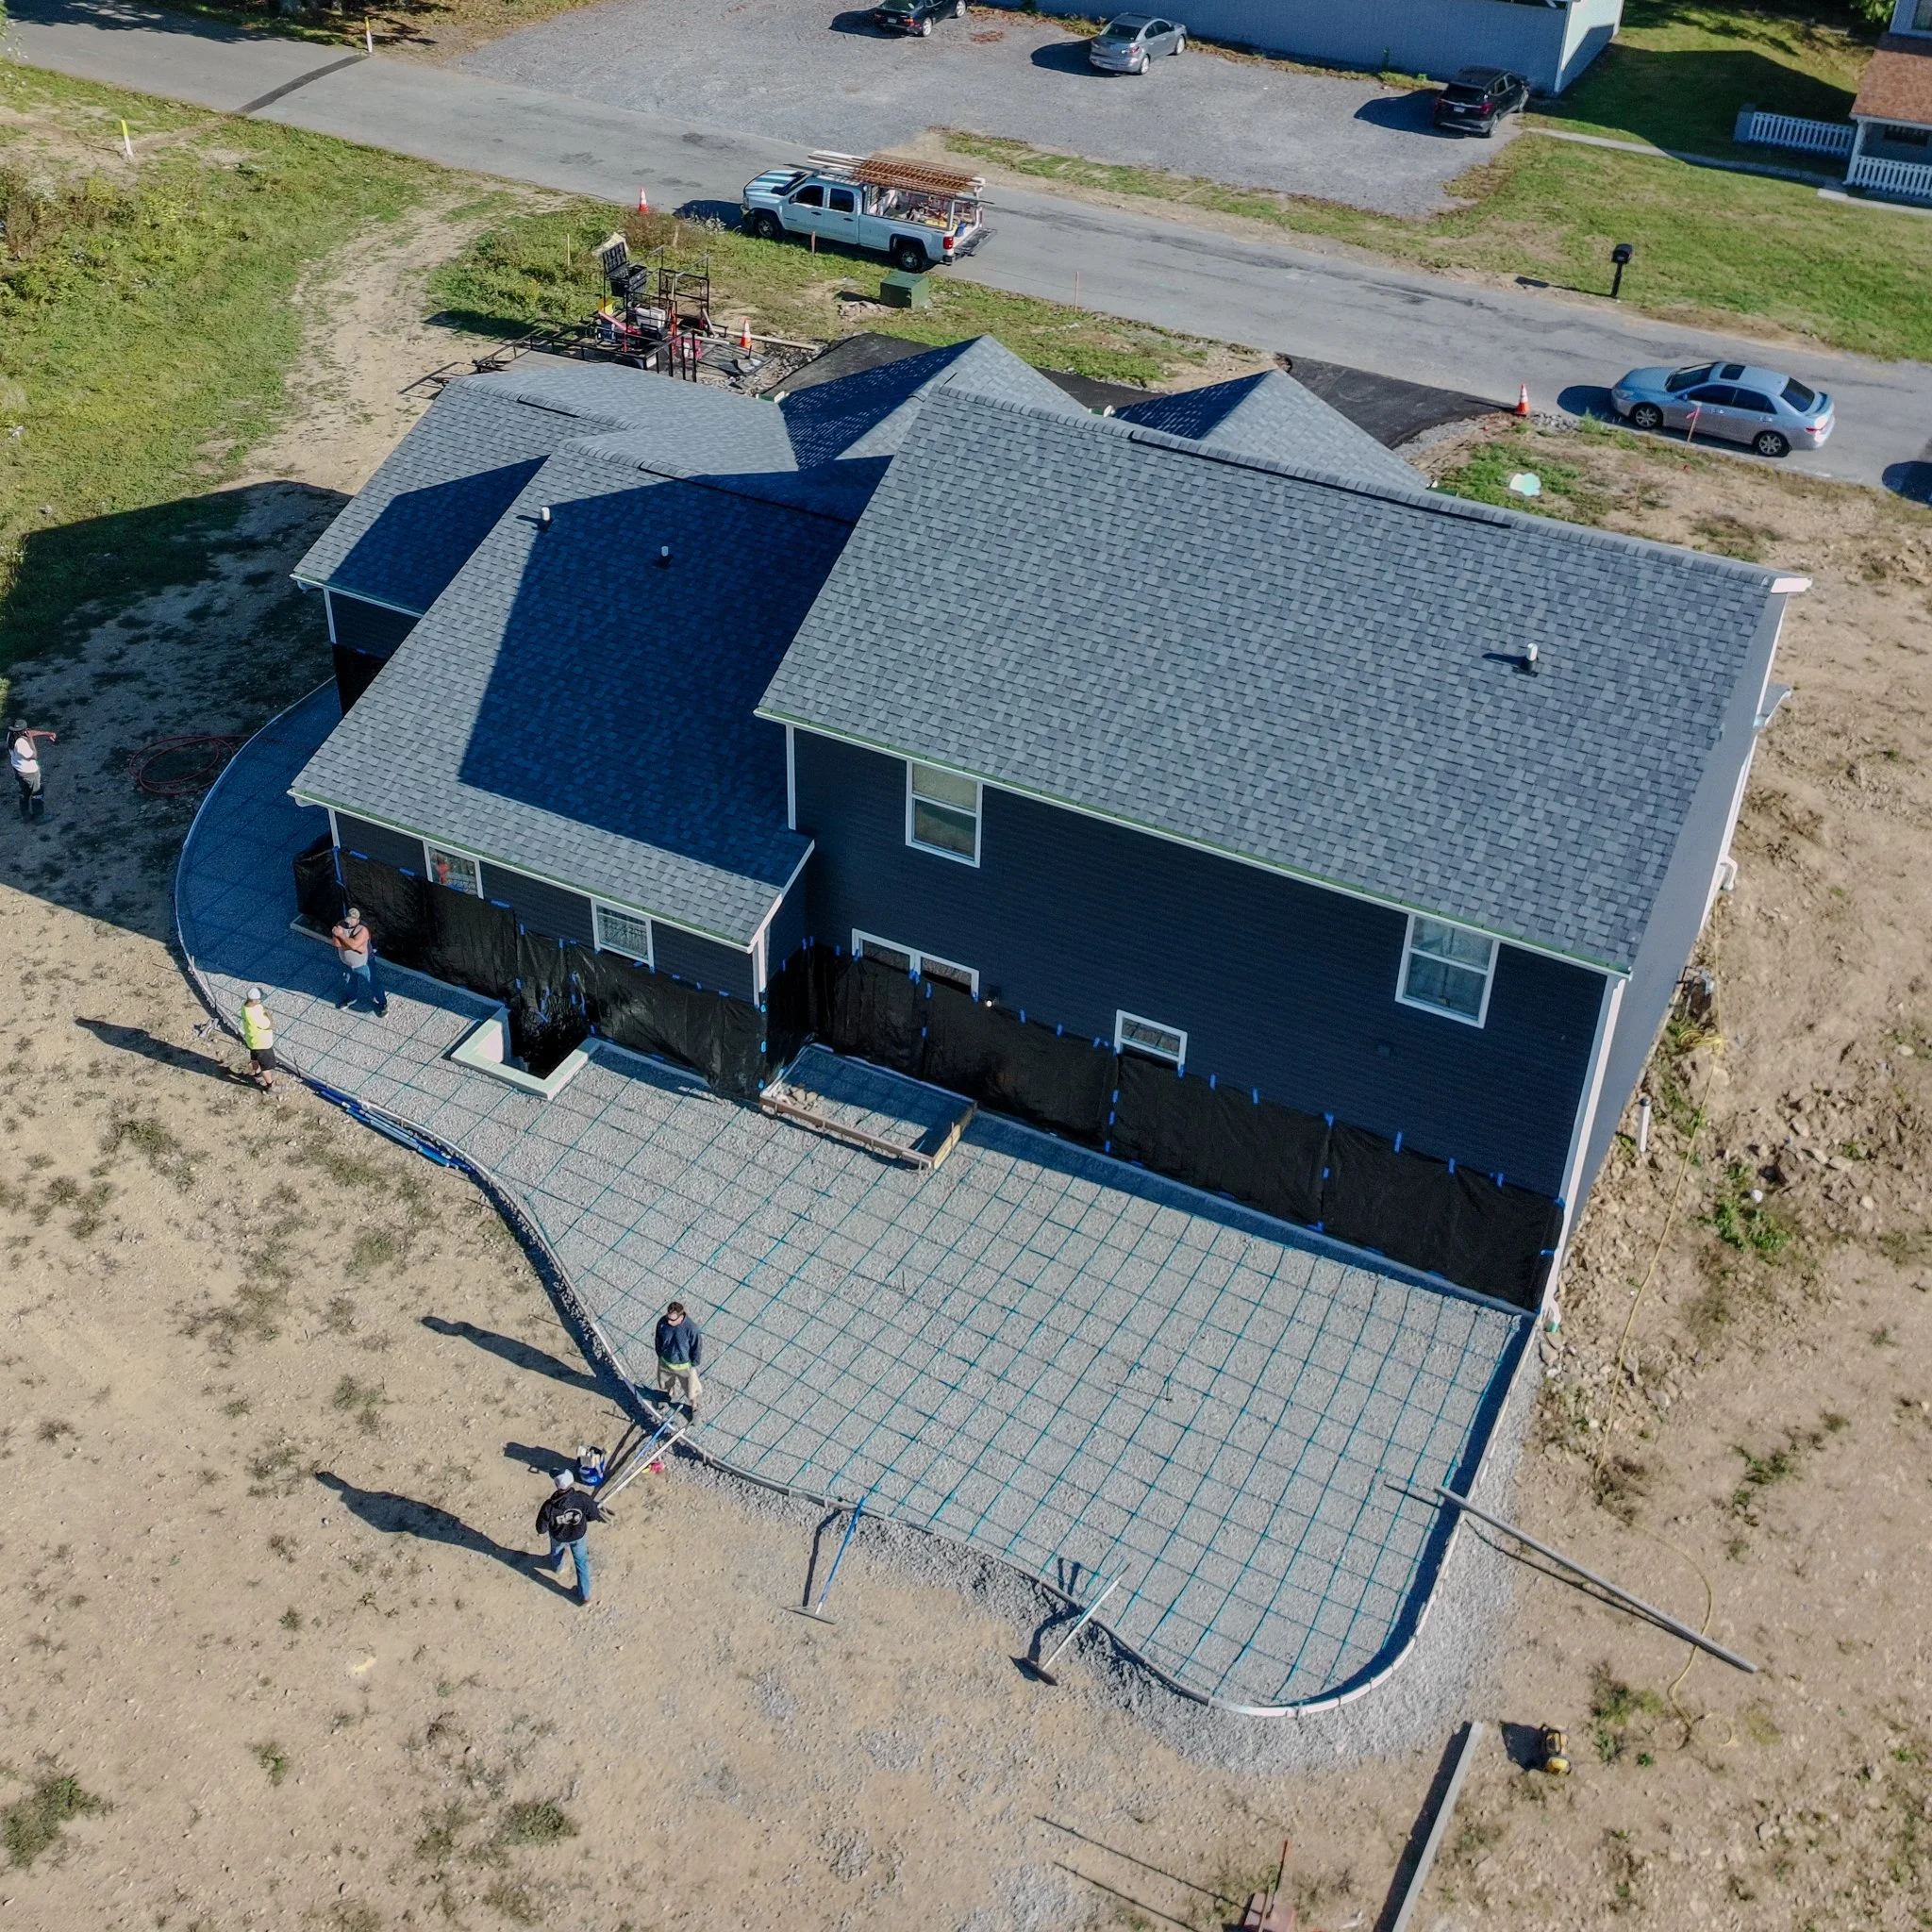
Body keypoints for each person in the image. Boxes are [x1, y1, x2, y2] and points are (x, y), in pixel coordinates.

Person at [535, 1467, 604, 1605]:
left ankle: (557, 1568)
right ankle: (585, 1596)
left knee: (556, 1552)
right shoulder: (582, 1499)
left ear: (556, 1484)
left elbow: (541, 1529)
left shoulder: (549, 1507)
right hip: (579, 1536)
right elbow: (594, 1514)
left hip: (558, 1536)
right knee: (581, 1563)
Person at [330, 905, 388, 1016]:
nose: (348, 923)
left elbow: (353, 944)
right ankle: (351, 999)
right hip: (347, 964)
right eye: (347, 920)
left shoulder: (363, 929)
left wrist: (341, 936)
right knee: (348, 982)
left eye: (351, 921)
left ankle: (382, 1003)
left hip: (364, 964)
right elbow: (337, 944)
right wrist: (354, 947)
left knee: (373, 982)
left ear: (357, 920)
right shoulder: (340, 925)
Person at [656, 1301, 703, 1421]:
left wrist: (694, 1363)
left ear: (681, 1317)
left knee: (690, 1389)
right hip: (666, 1361)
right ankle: (669, 1394)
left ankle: (694, 1407)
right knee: (665, 1381)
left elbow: (696, 1346)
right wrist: (660, 1353)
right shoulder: (662, 1323)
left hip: (684, 1365)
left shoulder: (691, 1329)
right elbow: (658, 1338)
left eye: (672, 1320)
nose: (669, 1322)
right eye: (668, 1318)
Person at [8, 720, 56, 821]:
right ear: (22, 731)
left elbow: (29, 733)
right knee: (37, 793)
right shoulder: (21, 745)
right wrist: (30, 740)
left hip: (18, 770)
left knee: (24, 792)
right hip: (29, 772)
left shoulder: (11, 735)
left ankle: (25, 816)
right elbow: (34, 755)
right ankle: (39, 817)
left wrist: (47, 733)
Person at [240, 987, 278, 1092]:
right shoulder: (254, 1015)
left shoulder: (245, 1005)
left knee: (254, 1058)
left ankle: (257, 1074)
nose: (260, 1001)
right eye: (259, 999)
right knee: (266, 1067)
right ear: (254, 1000)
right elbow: (267, 1024)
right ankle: (270, 1085)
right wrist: (268, 1016)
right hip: (262, 1043)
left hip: (253, 1041)